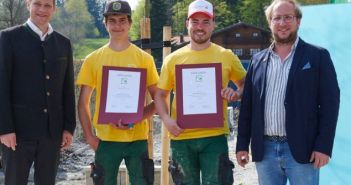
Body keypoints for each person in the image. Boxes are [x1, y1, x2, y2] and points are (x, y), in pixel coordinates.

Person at [235, 0, 340, 184]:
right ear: (270, 23)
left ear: (298, 21)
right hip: (265, 151)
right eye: (277, 18)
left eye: (287, 17)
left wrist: (323, 146)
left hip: (302, 150)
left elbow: (330, 105)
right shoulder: (257, 61)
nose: (282, 23)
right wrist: (242, 145)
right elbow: (248, 107)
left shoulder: (317, 56)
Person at [154, 0, 246, 184]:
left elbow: (246, 85)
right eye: (195, 21)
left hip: (215, 136)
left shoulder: (225, 55)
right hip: (182, 137)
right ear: (187, 24)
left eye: (206, 21)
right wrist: (166, 119)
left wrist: (236, 93)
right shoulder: (173, 59)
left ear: (213, 24)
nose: (200, 27)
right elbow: (160, 94)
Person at [77, 1, 159, 185]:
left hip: (137, 140)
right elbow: (82, 103)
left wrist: (138, 117)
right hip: (105, 141)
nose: (117, 25)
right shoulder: (93, 60)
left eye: (122, 20)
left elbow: (158, 99)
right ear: (105, 24)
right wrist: (90, 137)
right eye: (112, 20)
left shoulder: (144, 59)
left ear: (130, 23)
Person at [0, 0, 76, 184]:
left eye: (47, 5)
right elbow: (1, 85)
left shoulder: (63, 43)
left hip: (52, 132)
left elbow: (67, 89)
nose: (42, 9)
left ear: (54, 8)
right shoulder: (8, 38)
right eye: (37, 4)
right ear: (28, 5)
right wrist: (5, 128)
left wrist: (68, 126)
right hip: (17, 133)